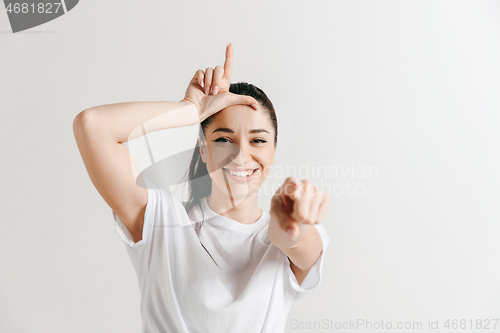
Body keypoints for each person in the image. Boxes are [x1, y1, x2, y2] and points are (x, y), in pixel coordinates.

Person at [73, 43, 331, 333]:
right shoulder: (160, 223)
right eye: (223, 140)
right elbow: (91, 126)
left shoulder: (291, 233)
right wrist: (188, 111)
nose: (241, 155)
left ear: (273, 150)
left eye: (258, 140)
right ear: (203, 148)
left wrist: (290, 228)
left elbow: (295, 241)